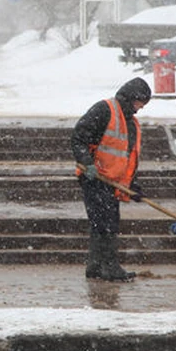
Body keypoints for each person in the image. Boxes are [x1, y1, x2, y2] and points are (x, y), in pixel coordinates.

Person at [71, 77, 152, 282]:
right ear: (131, 97)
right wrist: (86, 162)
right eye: (139, 103)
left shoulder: (131, 123)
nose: (139, 109)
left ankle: (96, 266)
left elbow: (126, 159)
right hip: (95, 177)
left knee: (105, 223)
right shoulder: (104, 110)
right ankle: (110, 268)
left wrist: (132, 186)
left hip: (112, 183)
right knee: (105, 223)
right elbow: (79, 136)